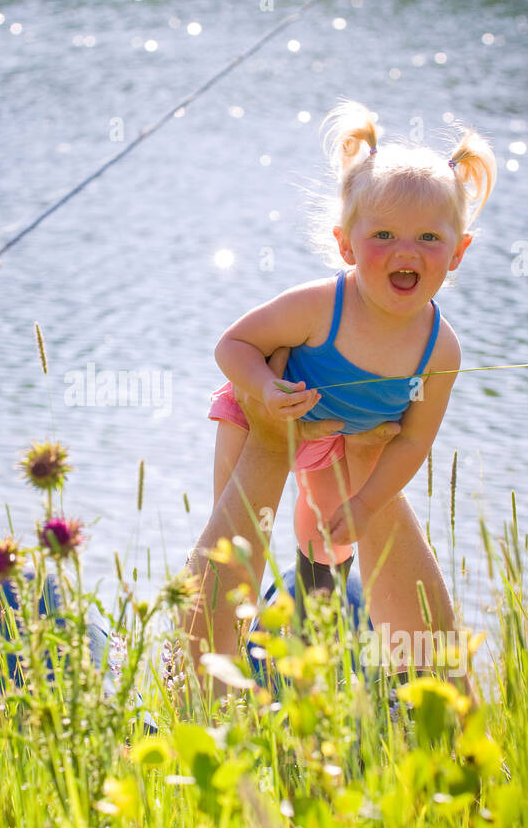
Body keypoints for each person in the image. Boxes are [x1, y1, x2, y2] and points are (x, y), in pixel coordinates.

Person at [185, 99, 496, 686]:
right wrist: (264, 391)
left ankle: (312, 623)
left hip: (342, 442)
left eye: (429, 237)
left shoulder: (441, 349)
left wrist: (367, 502)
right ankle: (222, 650)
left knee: (325, 539)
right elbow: (233, 346)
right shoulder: (319, 306)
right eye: (383, 234)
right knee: (238, 534)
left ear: (458, 252)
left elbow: (411, 443)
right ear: (346, 243)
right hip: (262, 420)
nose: (406, 251)